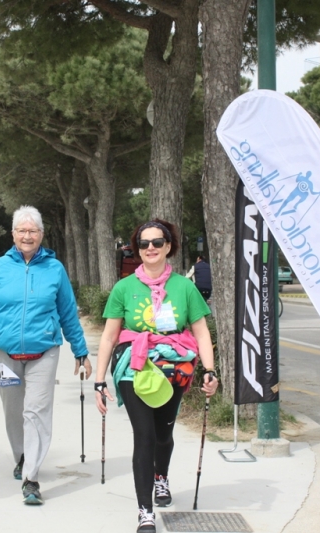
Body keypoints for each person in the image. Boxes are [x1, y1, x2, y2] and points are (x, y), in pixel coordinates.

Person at [0, 205, 90, 506]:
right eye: (22, 230)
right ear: (13, 234)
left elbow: (68, 313)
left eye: (33, 231)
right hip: (4, 353)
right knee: (13, 411)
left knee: (37, 411)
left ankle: (31, 477)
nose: (27, 235)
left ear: (41, 235)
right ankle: (21, 456)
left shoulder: (54, 269)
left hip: (44, 352)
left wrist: (81, 351)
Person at [94, 219, 218, 533]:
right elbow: (109, 337)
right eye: (144, 243)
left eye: (157, 242)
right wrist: (98, 380)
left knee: (163, 434)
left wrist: (210, 371)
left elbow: (201, 334)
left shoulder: (185, 288)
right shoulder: (124, 288)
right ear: (137, 249)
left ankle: (160, 477)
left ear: (168, 247)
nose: (151, 248)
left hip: (174, 366)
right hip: (134, 366)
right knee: (144, 435)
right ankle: (145, 511)